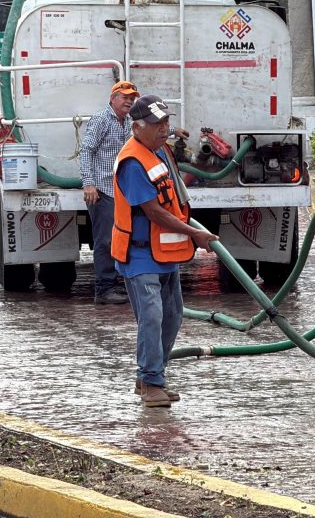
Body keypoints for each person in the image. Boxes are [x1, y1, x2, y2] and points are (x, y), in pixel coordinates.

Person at [112, 94, 218, 407]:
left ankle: (151, 377)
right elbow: (154, 212)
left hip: (164, 253)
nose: (163, 128)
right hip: (139, 254)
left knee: (171, 317)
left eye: (166, 122)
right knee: (152, 317)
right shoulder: (133, 162)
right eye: (156, 123)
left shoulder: (158, 151)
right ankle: (150, 382)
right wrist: (194, 234)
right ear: (137, 127)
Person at [79, 80, 140, 305]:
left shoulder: (130, 121)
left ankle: (117, 284)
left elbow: (150, 132)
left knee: (123, 237)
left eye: (132, 98)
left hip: (123, 191)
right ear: (112, 98)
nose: (129, 101)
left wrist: (174, 132)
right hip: (103, 190)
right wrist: (88, 184)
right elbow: (86, 150)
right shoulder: (102, 119)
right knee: (105, 241)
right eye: (125, 97)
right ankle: (104, 290)